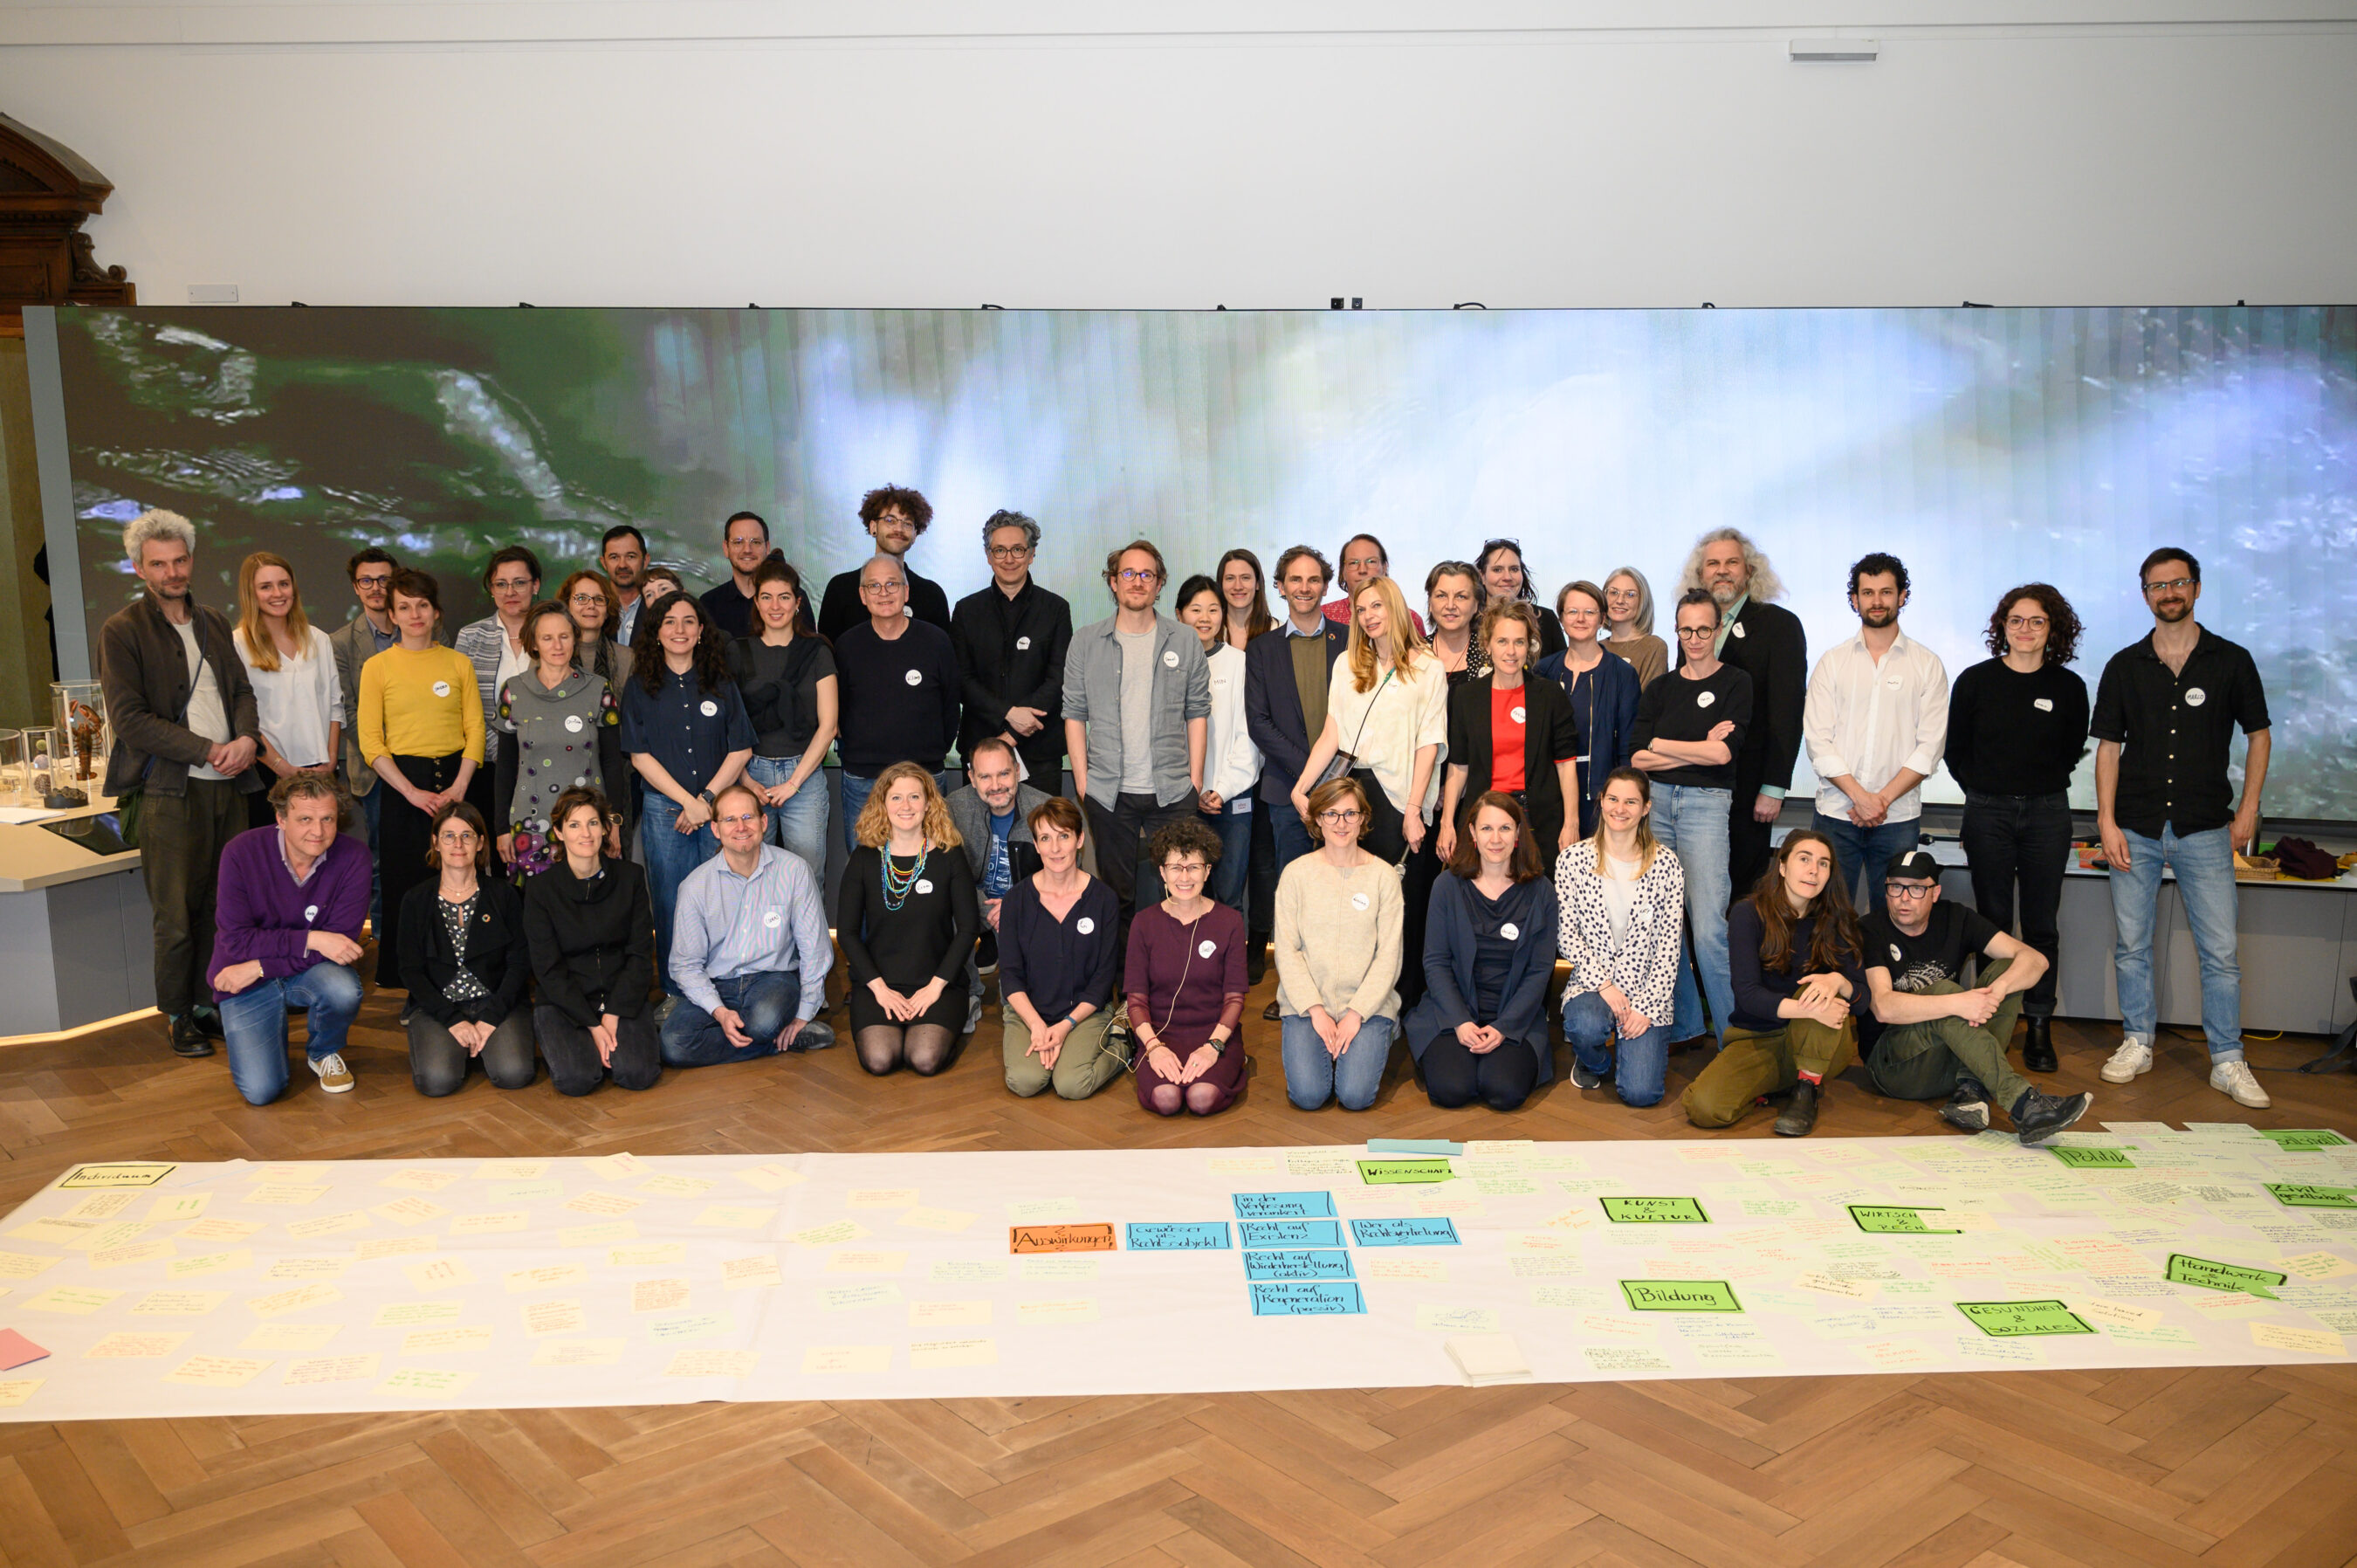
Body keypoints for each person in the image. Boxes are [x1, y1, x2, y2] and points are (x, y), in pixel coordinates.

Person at [2092, 547, 2272, 1107]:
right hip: (2136, 827)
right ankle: (2137, 1042)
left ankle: (2227, 1059)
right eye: (2157, 586)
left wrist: (2248, 811)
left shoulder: (2231, 660)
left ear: (2196, 589)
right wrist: (2105, 821)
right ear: (2144, 594)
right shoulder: (2124, 665)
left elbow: (2259, 735)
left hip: (2205, 828)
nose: (2168, 593)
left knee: (2220, 952)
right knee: (2131, 946)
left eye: (2178, 583)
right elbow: (2109, 748)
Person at [99, 510, 263, 1057]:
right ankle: (176, 1015)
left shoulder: (215, 620)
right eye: (159, 564)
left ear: (191, 560)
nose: (172, 572)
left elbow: (241, 691)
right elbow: (130, 719)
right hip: (170, 792)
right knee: (176, 914)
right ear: (139, 568)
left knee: (224, 906)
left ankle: (207, 1002)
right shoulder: (123, 630)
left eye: (180, 560)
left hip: (230, 787)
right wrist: (206, 750)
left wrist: (245, 739)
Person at [1945, 582, 2090, 1075]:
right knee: (1994, 923)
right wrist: (1988, 792)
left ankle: (2039, 1024)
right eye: (2016, 620)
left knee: (2042, 924)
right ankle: (1994, 1023)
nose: (2025, 630)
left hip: (2049, 814)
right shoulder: (1975, 682)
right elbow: (1955, 752)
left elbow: (2072, 752)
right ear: (2001, 627)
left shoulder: (2069, 688)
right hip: (1988, 813)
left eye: (2037, 621)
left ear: (2054, 630)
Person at [1291, 574, 1448, 1011]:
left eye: (1376, 606)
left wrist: (1414, 811)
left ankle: (1408, 1006)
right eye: (1361, 610)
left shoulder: (1428, 667)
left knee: (1404, 908)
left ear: (1395, 608)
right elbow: (1332, 732)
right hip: (1349, 791)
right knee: (1354, 905)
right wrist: (1302, 787)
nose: (1368, 616)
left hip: (1400, 798)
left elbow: (1429, 742)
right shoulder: (1347, 664)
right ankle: (1356, 1000)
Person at [1861, 851, 2093, 1144]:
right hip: (1894, 1067)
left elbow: (2036, 961)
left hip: (1950, 1056)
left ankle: (1970, 1090)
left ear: (1935, 893)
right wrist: (1959, 1002)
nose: (1904, 898)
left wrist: (1997, 991)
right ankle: (2024, 1105)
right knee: (1947, 991)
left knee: (2008, 970)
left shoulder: (1956, 917)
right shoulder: (1870, 928)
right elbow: (1882, 1007)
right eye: (1895, 887)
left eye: (1917, 888)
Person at [1062, 540, 1211, 952]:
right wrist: (1082, 780)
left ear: (1160, 584)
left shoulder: (1184, 640)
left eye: (1147, 574)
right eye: (1128, 573)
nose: (1137, 581)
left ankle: (1173, 992)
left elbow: (1197, 712)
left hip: (1173, 790)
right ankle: (1122, 995)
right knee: (1117, 898)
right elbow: (1074, 712)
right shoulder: (1086, 641)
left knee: (1180, 894)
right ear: (1113, 582)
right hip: (1109, 792)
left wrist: (1194, 780)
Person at [1682, 829, 1866, 1135]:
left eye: (1823, 864)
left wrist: (1837, 981)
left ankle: (1807, 1090)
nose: (1813, 870)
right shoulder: (1748, 913)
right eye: (1804, 859)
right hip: (1759, 1037)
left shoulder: (1837, 918)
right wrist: (1810, 1010)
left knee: (1818, 989)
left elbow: (1865, 996)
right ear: (1782, 867)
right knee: (1704, 1108)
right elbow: (1747, 995)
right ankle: (1783, 1085)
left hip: (1822, 1045)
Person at [1632, 589, 1752, 1045]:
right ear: (1676, 631)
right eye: (1687, 630)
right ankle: (1684, 1027)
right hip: (1656, 806)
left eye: (1704, 629)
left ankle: (1732, 1040)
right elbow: (1638, 759)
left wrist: (1663, 745)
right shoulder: (1660, 688)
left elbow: (1723, 754)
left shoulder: (1736, 683)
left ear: (1718, 630)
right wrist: (1690, 750)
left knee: (1707, 931)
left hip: (1705, 805)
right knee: (1664, 927)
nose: (1695, 638)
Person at [356, 568, 483, 994]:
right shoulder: (377, 667)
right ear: (391, 615)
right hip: (402, 788)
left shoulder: (457, 662)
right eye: (404, 607)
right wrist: (410, 791)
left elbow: (476, 731)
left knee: (459, 878)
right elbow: (371, 742)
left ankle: (463, 974)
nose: (414, 615)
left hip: (457, 782)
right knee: (408, 885)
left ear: (436, 613)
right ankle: (414, 985)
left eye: (422, 606)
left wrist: (460, 787)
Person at [206, 775, 367, 1104]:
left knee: (343, 988)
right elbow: (236, 943)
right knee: (261, 1091)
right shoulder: (240, 852)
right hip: (241, 977)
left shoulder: (354, 857)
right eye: (305, 819)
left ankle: (323, 1051)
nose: (318, 831)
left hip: (267, 970)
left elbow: (341, 948)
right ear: (281, 819)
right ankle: (269, 1034)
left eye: (328, 819)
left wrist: (261, 966)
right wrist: (315, 938)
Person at [1803, 551, 1948, 915]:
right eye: (1868, 593)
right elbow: (1818, 741)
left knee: (1897, 921)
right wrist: (1860, 797)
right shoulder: (1832, 662)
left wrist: (1880, 800)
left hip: (1897, 819)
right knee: (1828, 919)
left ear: (1903, 596)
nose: (1877, 601)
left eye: (1886, 592)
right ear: (1854, 600)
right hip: (1837, 815)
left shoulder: (1927, 665)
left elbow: (1930, 747)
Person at [620, 590, 754, 973]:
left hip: (721, 812)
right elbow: (638, 755)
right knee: (670, 901)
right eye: (669, 622)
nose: (679, 630)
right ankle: (676, 990)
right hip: (665, 813)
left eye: (689, 621)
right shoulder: (640, 686)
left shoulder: (721, 683)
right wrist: (689, 803)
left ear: (700, 632)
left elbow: (741, 748)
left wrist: (707, 800)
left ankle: (727, 984)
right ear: (656, 632)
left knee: (726, 897)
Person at [661, 780, 837, 1066]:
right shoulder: (695, 886)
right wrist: (718, 1011)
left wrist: (804, 1014)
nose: (740, 827)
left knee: (764, 1021)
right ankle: (777, 1044)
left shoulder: (794, 871)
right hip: (718, 983)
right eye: (729, 819)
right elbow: (685, 965)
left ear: (764, 822)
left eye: (747, 817)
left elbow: (815, 950)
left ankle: (775, 1031)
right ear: (716, 829)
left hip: (773, 980)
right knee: (673, 1044)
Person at [1404, 790, 1560, 1111]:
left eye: (1505, 828)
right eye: (1486, 828)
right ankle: (1457, 1046)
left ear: (1518, 833)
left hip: (1514, 1015)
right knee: (1451, 1090)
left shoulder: (1542, 891)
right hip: (1452, 1010)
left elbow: (1540, 970)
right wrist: (1460, 1021)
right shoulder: (1447, 886)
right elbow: (1435, 962)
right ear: (1472, 833)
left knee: (1503, 1092)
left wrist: (1505, 1026)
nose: (1496, 838)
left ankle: (1501, 1050)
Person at [1681, 531, 1807, 897]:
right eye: (1713, 564)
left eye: (1731, 563)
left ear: (1749, 570)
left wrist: (1773, 787)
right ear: (1700, 574)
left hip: (1750, 787)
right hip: (1695, 786)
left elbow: (1787, 713)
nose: (1722, 572)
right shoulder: (1691, 628)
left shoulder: (1779, 625)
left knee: (1741, 893)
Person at [837, 763, 981, 1075]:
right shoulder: (864, 857)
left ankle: (963, 1009)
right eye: (896, 798)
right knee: (879, 1060)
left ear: (929, 803)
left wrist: (934, 988)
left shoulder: (949, 854)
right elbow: (846, 933)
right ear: (882, 804)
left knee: (924, 1059)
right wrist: (879, 989)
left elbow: (968, 929)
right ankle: (900, 1019)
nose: (906, 806)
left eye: (915, 797)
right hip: (879, 983)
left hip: (937, 983)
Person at [1273, 776, 1404, 1111]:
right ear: (1317, 818)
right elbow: (1287, 950)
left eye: (1350, 814)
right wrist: (1315, 1011)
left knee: (1355, 1096)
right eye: (1331, 814)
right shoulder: (1296, 874)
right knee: (1309, 1096)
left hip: (1366, 1007)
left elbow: (1388, 955)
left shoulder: (1384, 876)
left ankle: (1376, 1036)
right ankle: (1324, 1046)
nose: (1341, 823)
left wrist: (1356, 1014)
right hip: (1307, 1006)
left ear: (1363, 818)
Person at [521, 786, 663, 1095]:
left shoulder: (631, 878)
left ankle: (608, 1044)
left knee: (638, 1075)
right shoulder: (541, 890)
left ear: (605, 829)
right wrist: (592, 1025)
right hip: (565, 1001)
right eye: (574, 825)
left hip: (620, 995)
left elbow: (640, 954)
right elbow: (548, 969)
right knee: (577, 1080)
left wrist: (613, 1014)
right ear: (558, 832)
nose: (585, 834)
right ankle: (579, 1044)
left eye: (593, 823)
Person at [1555, 768, 1683, 1107]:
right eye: (1613, 799)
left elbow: (1669, 950)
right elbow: (1566, 935)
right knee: (1585, 1027)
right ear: (1601, 801)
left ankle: (1632, 1052)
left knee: (1641, 1094)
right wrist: (1605, 985)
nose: (1620, 808)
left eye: (1631, 801)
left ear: (1645, 808)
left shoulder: (1667, 866)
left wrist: (1645, 1006)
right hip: (1593, 985)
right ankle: (1595, 1061)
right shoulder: (1572, 860)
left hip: (1646, 990)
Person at [400, 801, 535, 1097]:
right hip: (439, 1007)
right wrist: (452, 1020)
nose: (457, 844)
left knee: (514, 1073)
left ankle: (477, 1045)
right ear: (435, 843)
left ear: (480, 843)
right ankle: (462, 1046)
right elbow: (410, 970)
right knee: (437, 1082)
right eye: (448, 836)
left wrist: (492, 1017)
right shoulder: (416, 900)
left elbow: (520, 963)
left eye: (467, 835)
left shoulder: (506, 895)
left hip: (496, 1002)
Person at [998, 795, 1126, 1100]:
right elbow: (1011, 975)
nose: (1055, 848)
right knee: (1025, 1081)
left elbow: (1103, 978)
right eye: (1045, 838)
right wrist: (1037, 1026)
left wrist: (1066, 1026)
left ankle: (1124, 1046)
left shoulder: (1104, 900)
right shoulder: (1016, 899)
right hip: (1029, 1011)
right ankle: (1053, 1043)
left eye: (1064, 836)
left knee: (1071, 1085)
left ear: (1080, 839)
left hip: (1084, 1011)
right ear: (1036, 844)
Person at [835, 554, 962, 849]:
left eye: (892, 584)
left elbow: (950, 704)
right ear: (862, 596)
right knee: (866, 866)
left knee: (930, 864)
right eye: (874, 586)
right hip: (863, 777)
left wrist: (932, 752)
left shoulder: (936, 641)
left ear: (906, 591)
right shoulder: (847, 646)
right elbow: (836, 709)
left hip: (925, 775)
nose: (884, 593)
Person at [1439, 600, 1581, 862]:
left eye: (1519, 642)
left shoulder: (1549, 695)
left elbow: (1565, 764)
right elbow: (1458, 767)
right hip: (1484, 815)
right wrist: (1447, 823)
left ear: (1530, 646)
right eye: (1502, 641)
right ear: (1488, 645)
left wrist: (1571, 822)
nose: (1511, 651)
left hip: (1539, 819)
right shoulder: (1466, 697)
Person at [494, 601, 625, 879]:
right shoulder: (513, 692)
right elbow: (504, 767)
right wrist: (501, 829)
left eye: (564, 636)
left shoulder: (598, 689)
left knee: (589, 910)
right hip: (528, 825)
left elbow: (613, 762)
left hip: (588, 827)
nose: (557, 645)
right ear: (534, 643)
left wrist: (614, 822)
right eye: (547, 638)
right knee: (534, 913)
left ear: (575, 639)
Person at [1126, 818, 1248, 1116]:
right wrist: (1154, 1048)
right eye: (1175, 867)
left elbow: (1234, 998)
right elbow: (1136, 1001)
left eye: (1193, 867)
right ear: (1162, 872)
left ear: (1207, 871)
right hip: (1159, 1034)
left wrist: (1214, 1046)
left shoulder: (1229, 921)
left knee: (1201, 1098)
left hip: (1215, 1033)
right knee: (1167, 1099)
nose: (1185, 876)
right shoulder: (1144, 923)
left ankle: (1236, 1059)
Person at [727, 555, 837, 877]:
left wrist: (793, 783)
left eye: (784, 597)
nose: (776, 606)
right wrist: (746, 780)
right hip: (751, 773)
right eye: (766, 597)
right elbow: (728, 725)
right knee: (748, 874)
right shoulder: (737, 650)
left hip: (804, 775)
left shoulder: (817, 651)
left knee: (807, 875)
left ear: (798, 602)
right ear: (756, 602)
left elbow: (828, 726)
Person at [1243, 544, 1349, 877]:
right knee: (1295, 888)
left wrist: (1330, 777)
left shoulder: (1351, 640)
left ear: (1325, 587)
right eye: (1296, 580)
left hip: (1345, 789)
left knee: (1345, 887)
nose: (1305, 588)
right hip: (1288, 794)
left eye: (1313, 580)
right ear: (1281, 586)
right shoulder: (1261, 648)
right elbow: (1259, 723)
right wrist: (1313, 774)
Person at [951, 509, 1071, 790]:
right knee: (976, 833)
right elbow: (962, 680)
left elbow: (1059, 678)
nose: (1009, 559)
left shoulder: (1056, 609)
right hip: (979, 747)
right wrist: (1008, 713)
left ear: (1031, 554)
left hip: (1040, 750)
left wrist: (1015, 731)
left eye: (1017, 550)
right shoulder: (966, 610)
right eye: (1000, 550)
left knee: (1042, 833)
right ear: (988, 555)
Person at [231, 551, 340, 832]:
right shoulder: (237, 645)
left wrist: (329, 762)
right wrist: (281, 767)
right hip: (267, 773)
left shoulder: (319, 640)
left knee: (321, 861)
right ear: (250, 593)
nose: (277, 593)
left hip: (321, 771)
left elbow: (334, 705)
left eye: (284, 584)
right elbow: (242, 717)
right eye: (266, 587)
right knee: (272, 865)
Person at [1177, 574, 1262, 917]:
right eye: (1195, 609)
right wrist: (1192, 788)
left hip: (1233, 798)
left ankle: (1230, 970)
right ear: (1179, 614)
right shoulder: (1170, 664)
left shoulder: (1240, 663)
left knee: (1229, 893)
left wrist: (1222, 790)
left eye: (1213, 609)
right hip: (1183, 797)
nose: (1205, 618)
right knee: (1187, 891)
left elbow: (1248, 734)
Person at [329, 547, 402, 927]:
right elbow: (349, 710)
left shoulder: (423, 629)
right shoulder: (340, 643)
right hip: (374, 769)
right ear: (356, 588)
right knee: (381, 855)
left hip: (424, 764)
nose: (376, 587)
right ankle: (384, 936)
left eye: (384, 579)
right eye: (366, 580)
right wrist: (386, 756)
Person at [1536, 580, 1640, 839]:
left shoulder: (1622, 674)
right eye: (1572, 612)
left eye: (1590, 612)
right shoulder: (1543, 672)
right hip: (1548, 796)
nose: (1580, 619)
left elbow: (1628, 747)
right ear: (1560, 618)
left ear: (1603, 619)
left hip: (1601, 798)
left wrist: (1623, 801)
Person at [946, 736, 1052, 975]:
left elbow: (1063, 874)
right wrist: (990, 912)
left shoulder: (1045, 808)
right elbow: (946, 876)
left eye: (1003, 774)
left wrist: (1015, 906)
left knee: (1021, 994)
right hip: (971, 903)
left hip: (1029, 905)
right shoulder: (952, 808)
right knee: (938, 913)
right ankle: (966, 992)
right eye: (985, 777)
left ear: (1017, 771)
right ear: (972, 778)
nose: (996, 785)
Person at [455, 545, 541, 827]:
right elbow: (467, 710)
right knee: (497, 850)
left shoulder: (554, 633)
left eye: (519, 583)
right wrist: (505, 759)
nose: (510, 592)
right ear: (491, 590)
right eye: (501, 584)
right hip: (489, 769)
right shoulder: (471, 637)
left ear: (536, 585)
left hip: (547, 764)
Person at [816, 485, 953, 640]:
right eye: (890, 520)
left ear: (915, 534)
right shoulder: (840, 589)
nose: (899, 529)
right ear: (873, 526)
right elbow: (826, 653)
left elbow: (941, 655)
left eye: (908, 523)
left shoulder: (932, 595)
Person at [1476, 540, 1567, 659]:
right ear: (1482, 576)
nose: (1507, 577)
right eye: (1497, 570)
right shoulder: (1470, 621)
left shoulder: (1546, 619)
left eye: (1514, 569)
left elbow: (1561, 669)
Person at [1322, 533, 1426, 634]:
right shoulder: (1324, 616)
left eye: (1371, 561)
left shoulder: (1410, 619)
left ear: (1384, 568)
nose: (1362, 570)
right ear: (1343, 572)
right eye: (1353, 563)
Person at [697, 511, 773, 640]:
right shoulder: (708, 604)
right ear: (726, 549)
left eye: (755, 542)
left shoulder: (792, 599)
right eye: (738, 542)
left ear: (767, 547)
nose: (747, 550)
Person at [560, 567, 636, 693]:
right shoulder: (549, 652)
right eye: (581, 598)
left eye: (599, 599)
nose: (591, 605)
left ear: (607, 611)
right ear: (567, 606)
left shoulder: (627, 658)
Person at [1600, 567, 1668, 690]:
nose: (1620, 600)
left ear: (1642, 601)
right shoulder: (1596, 648)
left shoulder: (1653, 647)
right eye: (1614, 592)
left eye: (1630, 595)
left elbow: (1647, 702)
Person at [1425, 561, 1489, 685]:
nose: (1450, 606)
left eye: (1461, 597)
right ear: (1430, 603)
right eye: (1441, 596)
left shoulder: (1490, 653)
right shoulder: (1413, 654)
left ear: (1476, 605)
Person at [600, 525, 652, 648]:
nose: (622, 565)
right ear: (603, 563)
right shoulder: (592, 608)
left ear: (645, 560)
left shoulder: (660, 605)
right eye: (614, 557)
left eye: (631, 556)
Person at [1215, 547, 1275, 650]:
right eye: (1230, 578)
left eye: (1245, 578)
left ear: (1257, 584)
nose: (1238, 586)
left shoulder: (1276, 631)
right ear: (1221, 584)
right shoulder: (1210, 632)